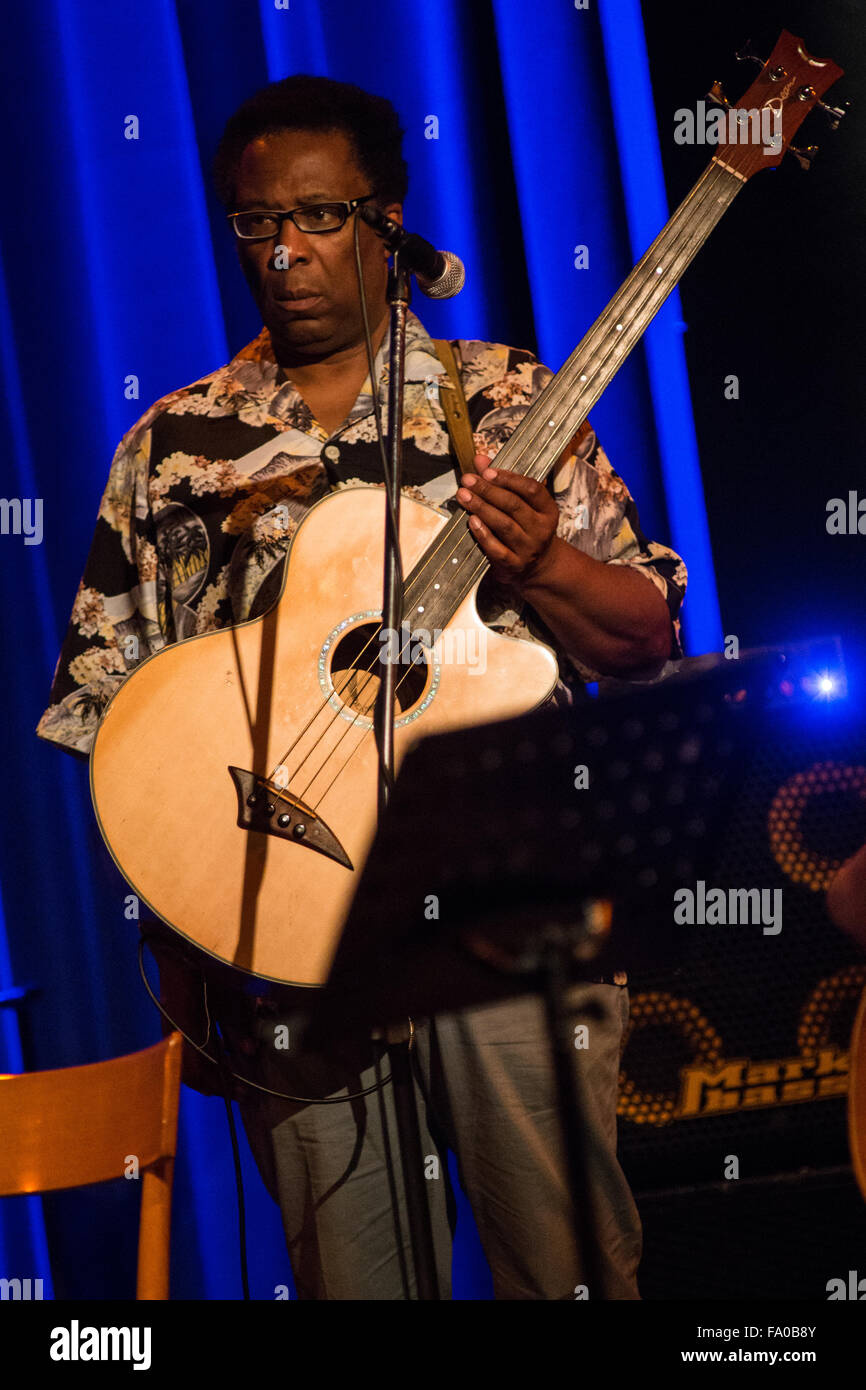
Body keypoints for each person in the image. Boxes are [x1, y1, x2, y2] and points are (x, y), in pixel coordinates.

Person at [37, 74, 687, 1300]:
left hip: (506, 920)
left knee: (567, 1274)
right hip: (285, 942)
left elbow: (642, 635)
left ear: (387, 223)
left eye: (319, 217)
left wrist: (542, 559)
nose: (282, 251)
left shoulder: (505, 405)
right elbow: (112, 712)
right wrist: (180, 927)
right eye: (252, 224)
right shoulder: (176, 449)